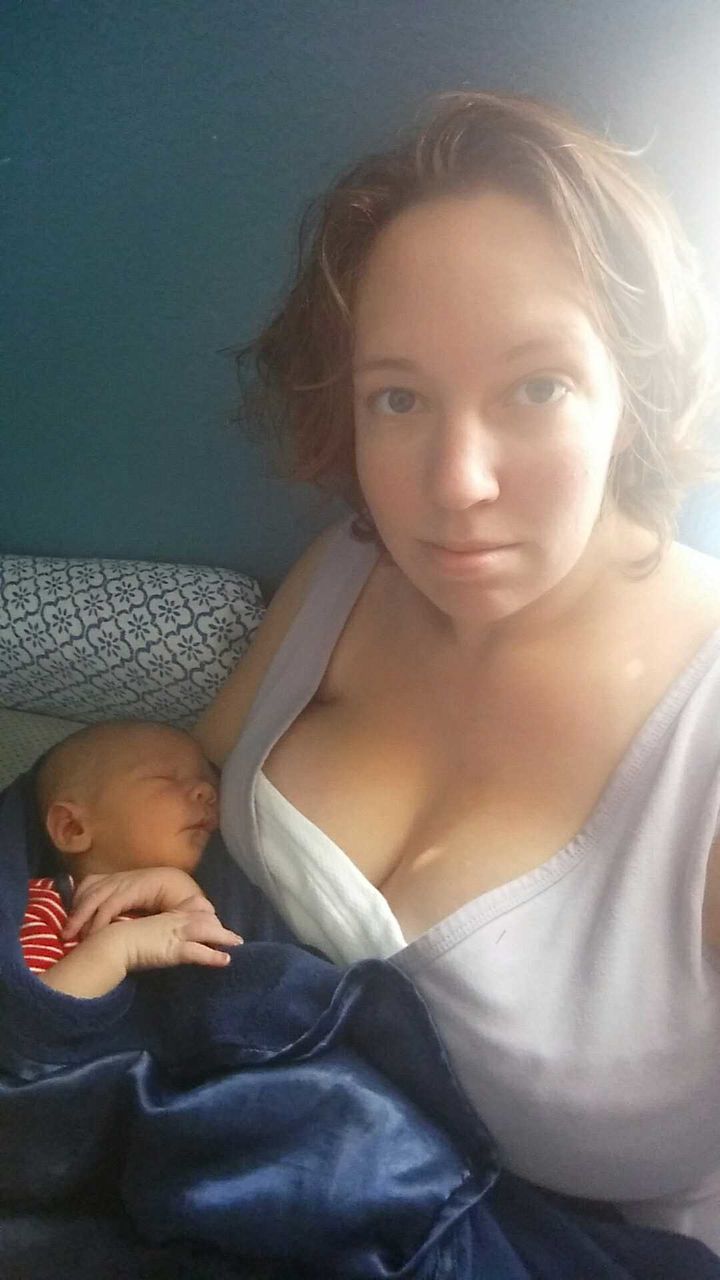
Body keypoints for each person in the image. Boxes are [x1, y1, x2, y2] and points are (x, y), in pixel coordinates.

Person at [193, 90, 720, 1252]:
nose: (457, 483)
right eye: (400, 397)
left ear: (627, 392)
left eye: (536, 386)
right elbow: (167, 802)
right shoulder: (343, 571)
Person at [21, 719, 243, 997]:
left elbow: (233, 978)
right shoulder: (45, 907)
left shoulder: (222, 893)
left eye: (211, 784)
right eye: (166, 778)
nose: (207, 792)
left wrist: (177, 890)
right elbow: (28, 1019)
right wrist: (120, 948)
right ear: (73, 828)